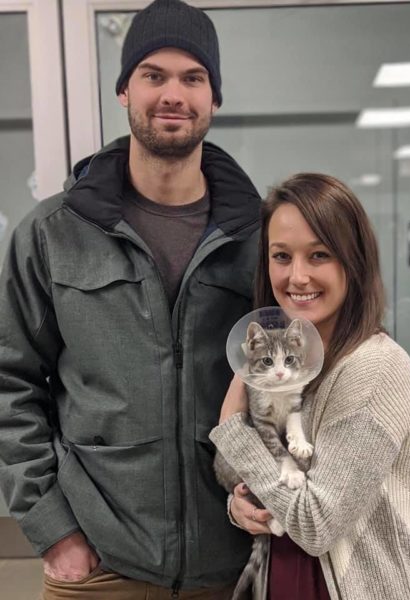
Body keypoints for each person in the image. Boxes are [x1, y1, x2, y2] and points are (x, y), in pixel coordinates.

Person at [0, 1, 260, 598]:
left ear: (213, 98)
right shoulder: (53, 233)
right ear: (123, 90)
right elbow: (10, 383)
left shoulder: (260, 237)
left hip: (234, 563)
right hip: (99, 566)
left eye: (193, 78)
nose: (174, 93)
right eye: (153, 74)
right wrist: (53, 530)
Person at [210, 173, 410, 600]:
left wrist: (232, 428)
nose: (297, 276)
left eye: (319, 255)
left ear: (354, 261)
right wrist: (243, 508)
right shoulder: (299, 363)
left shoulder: (375, 368)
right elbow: (278, 484)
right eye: (281, 256)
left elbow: (315, 524)